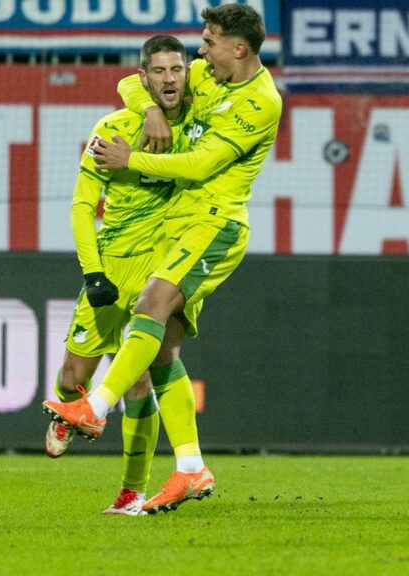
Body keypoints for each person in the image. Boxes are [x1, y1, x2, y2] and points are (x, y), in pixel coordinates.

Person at [43, 3, 283, 515]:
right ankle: (192, 468)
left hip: (214, 223)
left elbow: (199, 165)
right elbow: (144, 82)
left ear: (238, 48)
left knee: (150, 310)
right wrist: (150, 108)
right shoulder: (204, 74)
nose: (200, 51)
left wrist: (131, 159)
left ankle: (96, 407)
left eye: (210, 41)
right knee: (161, 351)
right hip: (179, 229)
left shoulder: (260, 101)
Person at [45, 35, 192, 516]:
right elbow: (82, 206)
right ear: (144, 77)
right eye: (159, 71)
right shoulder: (112, 128)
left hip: (163, 272)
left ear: (187, 73)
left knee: (139, 382)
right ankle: (70, 408)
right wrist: (92, 273)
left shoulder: (199, 123)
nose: (169, 79)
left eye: (177, 69)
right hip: (111, 268)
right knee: (72, 377)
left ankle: (132, 491)